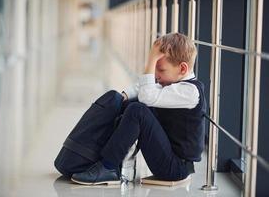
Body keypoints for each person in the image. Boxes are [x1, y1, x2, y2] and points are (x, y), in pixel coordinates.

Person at [70, 32, 206, 185]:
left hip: (175, 168)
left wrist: (152, 58)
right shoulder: (172, 81)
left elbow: (147, 95)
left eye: (160, 70)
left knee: (137, 111)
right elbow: (143, 88)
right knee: (130, 104)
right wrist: (123, 97)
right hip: (166, 155)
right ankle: (98, 157)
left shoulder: (190, 92)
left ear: (182, 69)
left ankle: (109, 166)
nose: (156, 75)